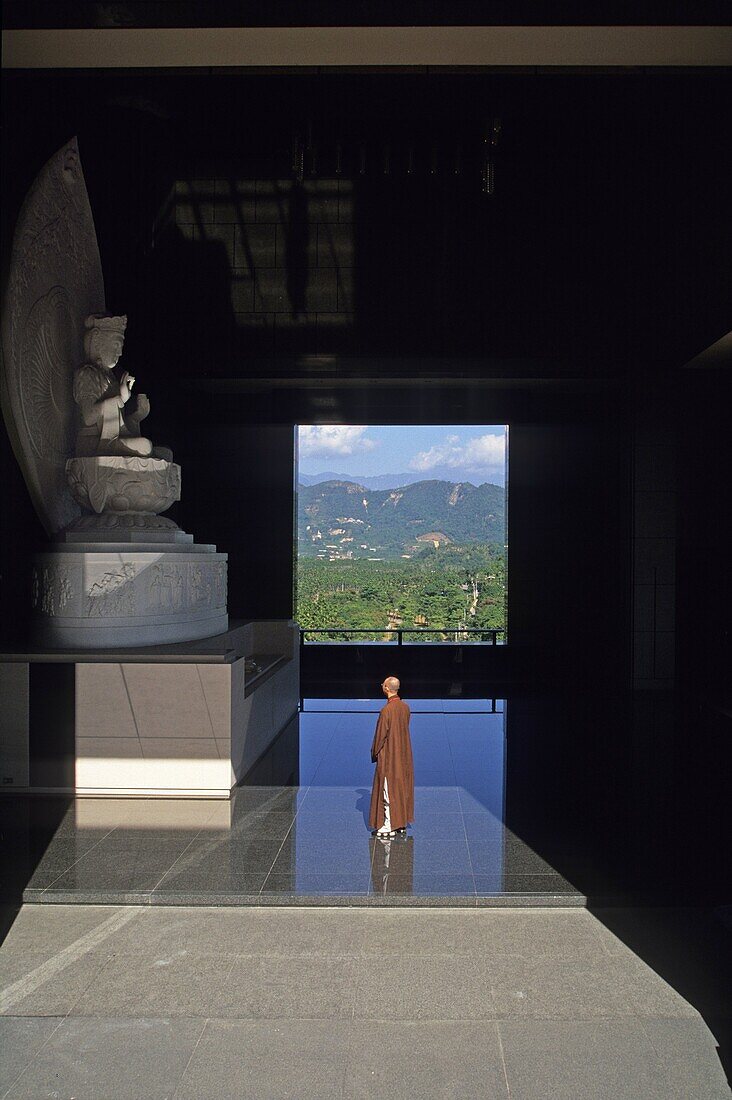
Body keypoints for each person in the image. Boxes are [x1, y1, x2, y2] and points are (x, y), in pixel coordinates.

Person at [369, 676, 415, 839]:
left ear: (387, 688)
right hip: (403, 753)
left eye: (383, 684)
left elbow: (381, 735)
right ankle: (401, 822)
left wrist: (374, 752)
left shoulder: (386, 710)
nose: (382, 686)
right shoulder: (405, 707)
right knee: (402, 787)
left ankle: (388, 824)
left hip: (390, 755)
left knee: (387, 788)